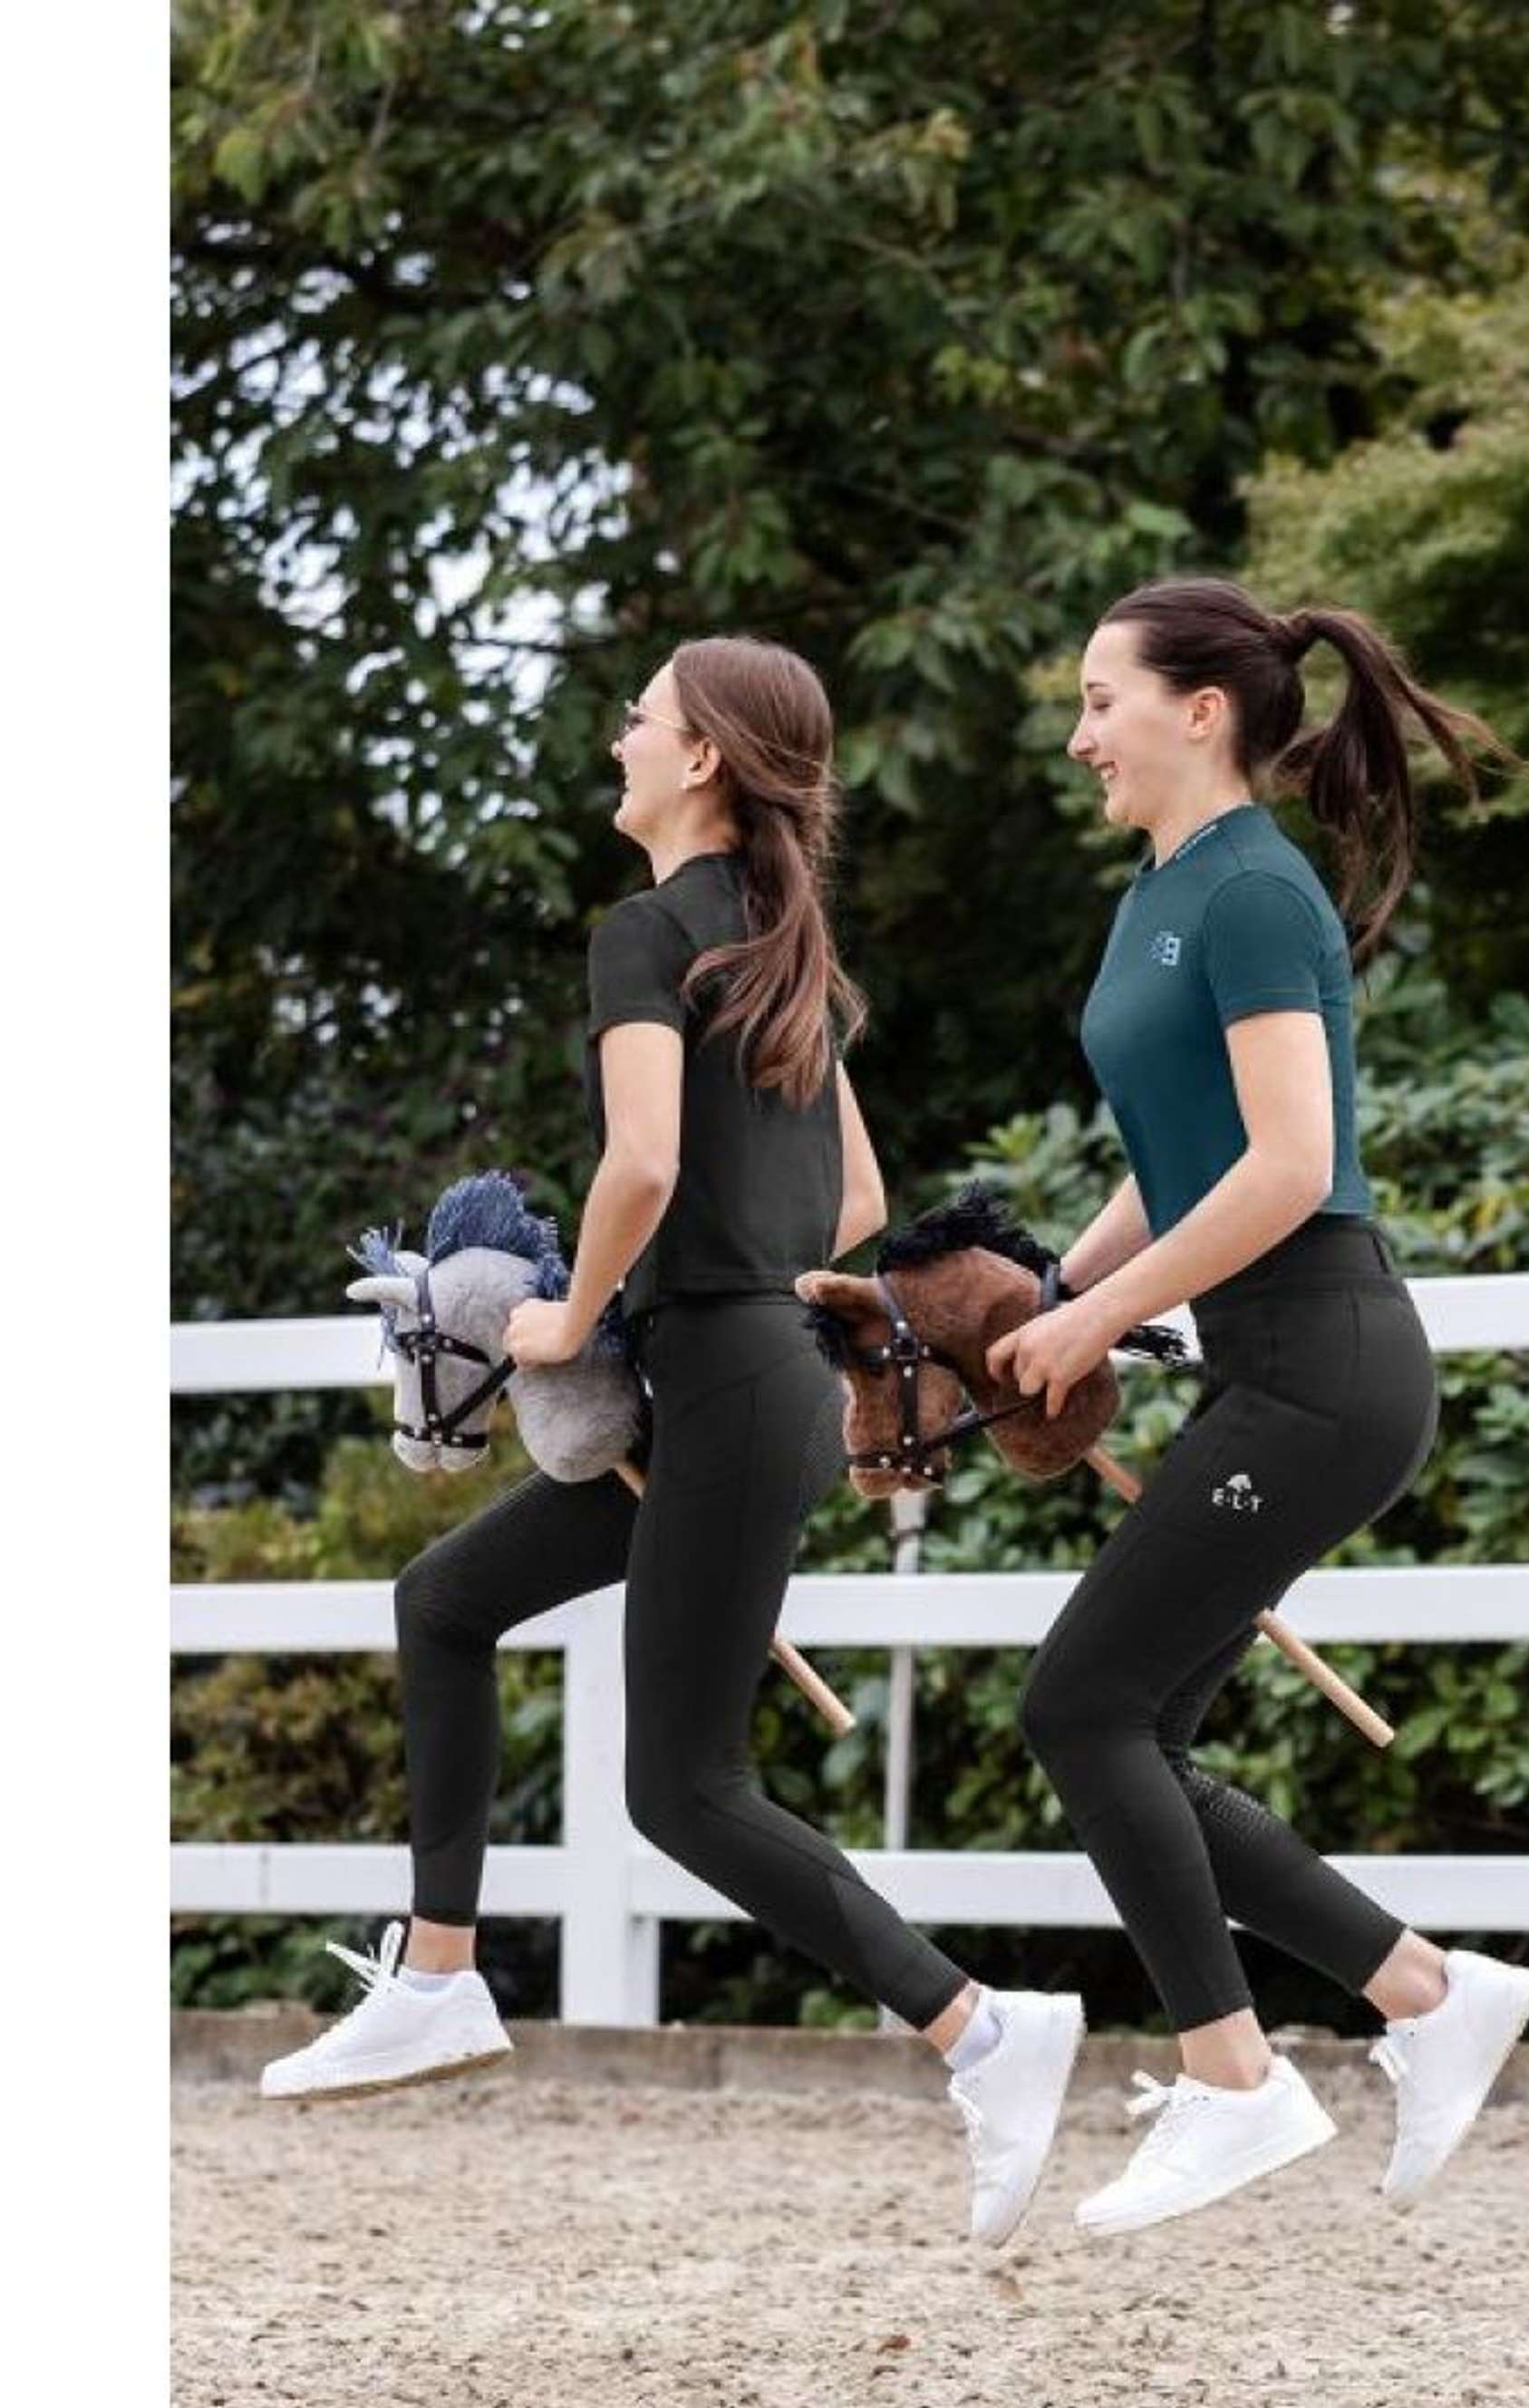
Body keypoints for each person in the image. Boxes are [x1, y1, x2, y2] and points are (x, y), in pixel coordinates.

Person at [261, 637, 1081, 2249]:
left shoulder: (644, 935)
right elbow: (855, 1199)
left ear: (702, 757)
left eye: (640, 719)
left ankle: (986, 2031)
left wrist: (567, 1319)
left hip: (719, 1393)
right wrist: (712, 1281)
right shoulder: (786, 950)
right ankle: (439, 1973)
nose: (618, 740)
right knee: (445, 1602)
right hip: (756, 1385)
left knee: (687, 1792)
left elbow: (638, 1163)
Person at [982, 576, 1529, 2236]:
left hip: (1324, 1366)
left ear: (1201, 711)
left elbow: (1291, 1167)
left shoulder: (1253, 892)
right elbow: (1183, 1156)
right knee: (1131, 1730)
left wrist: (1097, 1317)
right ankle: (1429, 1993)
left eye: (1101, 701)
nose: (1080, 737)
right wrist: (1041, 1285)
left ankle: (1237, 2080)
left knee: (1081, 1708)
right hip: (1274, 1366)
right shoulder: (1161, 891)